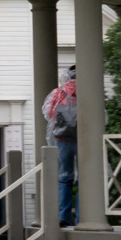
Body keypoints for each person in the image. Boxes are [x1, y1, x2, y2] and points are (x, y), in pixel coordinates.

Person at [46, 67, 81, 227]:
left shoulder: (59, 92)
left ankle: (63, 217)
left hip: (62, 138)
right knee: (85, 179)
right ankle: (83, 217)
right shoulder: (87, 91)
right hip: (83, 139)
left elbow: (49, 113)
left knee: (64, 177)